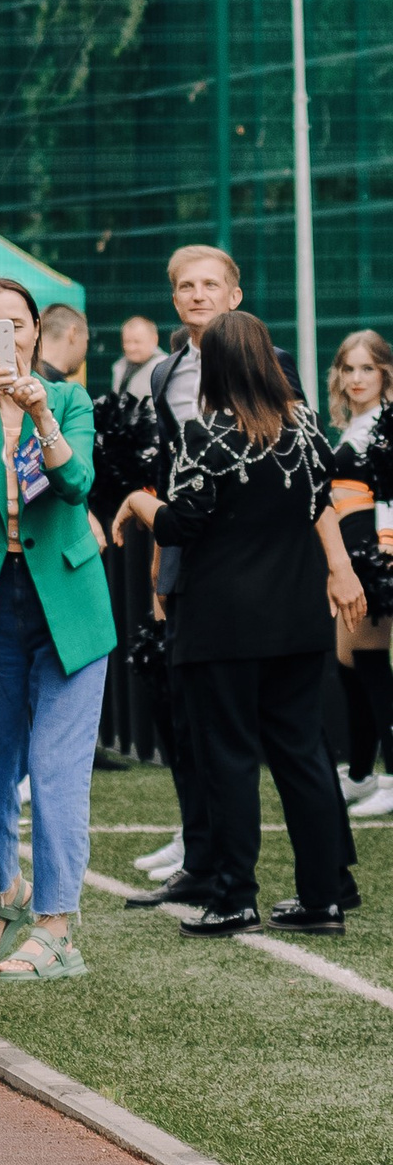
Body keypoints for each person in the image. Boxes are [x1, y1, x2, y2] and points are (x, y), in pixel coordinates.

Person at [111, 312, 362, 936]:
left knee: (227, 758)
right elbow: (317, 504)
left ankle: (234, 896)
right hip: (298, 617)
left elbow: (178, 525)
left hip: (222, 622)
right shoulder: (306, 431)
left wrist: (138, 499)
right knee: (302, 755)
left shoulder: (208, 435)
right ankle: (322, 897)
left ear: (218, 365)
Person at [0, 276, 110, 981]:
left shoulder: (69, 399)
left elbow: (76, 485)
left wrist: (41, 417)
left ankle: (58, 926)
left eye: (16, 322)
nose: (4, 334)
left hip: (67, 601)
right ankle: (4, 892)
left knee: (58, 769)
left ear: (36, 332)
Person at [126, 245, 304, 904]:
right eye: (185, 286)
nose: (197, 295)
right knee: (182, 710)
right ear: (174, 298)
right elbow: (175, 471)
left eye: (210, 284)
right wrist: (160, 558)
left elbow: (296, 462)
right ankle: (198, 856)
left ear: (234, 294)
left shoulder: (271, 363)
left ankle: (285, 875)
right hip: (184, 547)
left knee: (261, 728)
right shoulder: (163, 373)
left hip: (253, 569)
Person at [325, 331, 393, 818]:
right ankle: (362, 775)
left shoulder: (387, 425)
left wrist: (385, 556)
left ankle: (387, 778)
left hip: (376, 558)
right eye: (348, 369)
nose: (356, 378)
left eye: (367, 368)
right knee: (349, 662)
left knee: (369, 664)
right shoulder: (358, 425)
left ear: (385, 373)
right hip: (354, 557)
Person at [110, 315, 163, 399]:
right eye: (127, 341)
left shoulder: (165, 369)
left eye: (137, 342)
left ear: (154, 340)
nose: (131, 348)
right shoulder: (119, 367)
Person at [35, 304, 89, 384]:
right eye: (86, 341)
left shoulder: (25, 378)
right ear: (73, 333)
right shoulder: (64, 392)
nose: (86, 350)